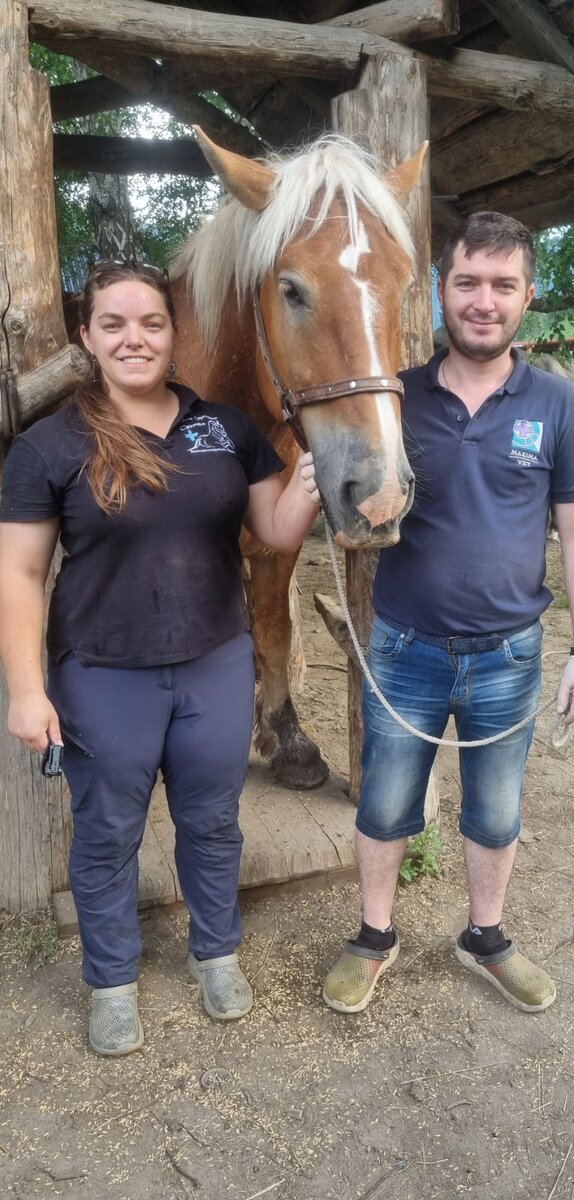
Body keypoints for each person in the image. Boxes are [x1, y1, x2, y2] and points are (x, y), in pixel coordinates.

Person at [0, 260, 320, 1056]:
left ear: (174, 333)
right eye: (113, 324)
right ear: (87, 337)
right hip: (102, 673)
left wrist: (315, 472)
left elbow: (275, 533)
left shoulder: (226, 429)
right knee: (106, 833)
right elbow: (20, 573)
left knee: (212, 823)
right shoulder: (50, 445)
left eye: (150, 323)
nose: (134, 338)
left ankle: (216, 955)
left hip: (215, 661)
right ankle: (111, 982)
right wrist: (26, 690)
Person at [322, 213, 574, 1016]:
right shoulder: (393, 398)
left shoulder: (558, 405)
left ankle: (484, 936)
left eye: (502, 285)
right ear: (441, 291)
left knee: (494, 811)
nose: (484, 301)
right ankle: (374, 936)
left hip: (508, 655)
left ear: (527, 295)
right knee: (383, 804)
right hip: (404, 644)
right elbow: (350, 507)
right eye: (468, 283)